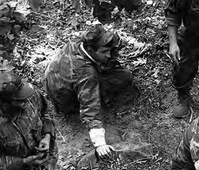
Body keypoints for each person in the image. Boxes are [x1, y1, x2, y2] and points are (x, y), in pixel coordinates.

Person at [43, 24, 133, 159]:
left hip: (55, 84)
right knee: (124, 77)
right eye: (104, 52)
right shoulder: (86, 75)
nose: (108, 55)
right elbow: (90, 107)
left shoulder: (78, 42)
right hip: (66, 101)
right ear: (91, 50)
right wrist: (99, 143)